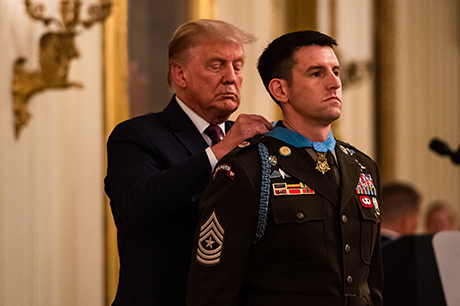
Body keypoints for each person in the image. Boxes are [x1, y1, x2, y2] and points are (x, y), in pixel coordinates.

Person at [186, 30, 383, 306]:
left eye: (335, 71)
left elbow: (371, 286)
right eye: (317, 73)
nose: (335, 83)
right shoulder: (248, 168)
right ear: (280, 89)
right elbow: (211, 292)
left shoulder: (362, 167)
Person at [104, 19, 273, 306]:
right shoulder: (137, 135)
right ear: (180, 74)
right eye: (217, 65)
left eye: (238, 65)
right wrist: (222, 149)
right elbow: (136, 206)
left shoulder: (254, 142)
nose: (231, 77)